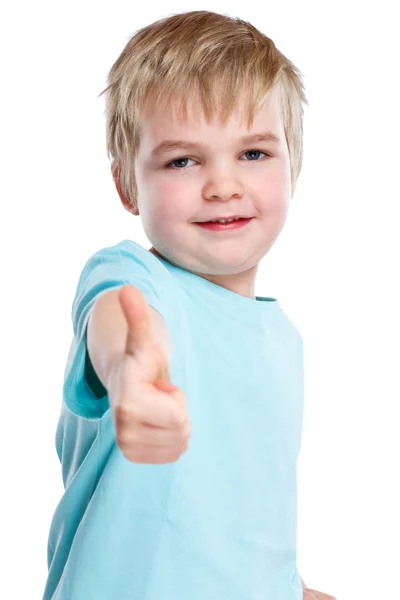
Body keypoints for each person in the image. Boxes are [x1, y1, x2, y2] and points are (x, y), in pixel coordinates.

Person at [42, 10, 336, 600]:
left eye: (253, 153)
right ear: (128, 185)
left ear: (293, 166)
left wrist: (293, 588)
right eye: (183, 160)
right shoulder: (133, 277)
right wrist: (133, 376)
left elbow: (243, 519)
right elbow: (120, 327)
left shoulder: (284, 338)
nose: (223, 185)